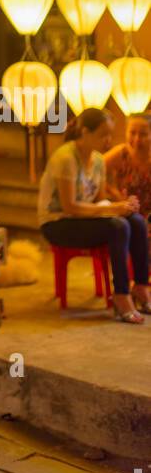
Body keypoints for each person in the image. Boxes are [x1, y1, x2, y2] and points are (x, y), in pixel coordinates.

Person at [38, 107, 151, 324]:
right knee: (119, 226)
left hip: (85, 219)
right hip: (58, 223)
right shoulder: (66, 158)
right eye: (103, 135)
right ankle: (121, 294)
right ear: (85, 133)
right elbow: (70, 207)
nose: (108, 140)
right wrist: (113, 209)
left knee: (135, 221)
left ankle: (141, 287)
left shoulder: (98, 160)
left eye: (110, 134)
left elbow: (99, 201)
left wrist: (122, 206)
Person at [105, 114, 151, 229]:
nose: (137, 139)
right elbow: (94, 169)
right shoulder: (121, 153)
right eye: (132, 133)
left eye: (143, 134)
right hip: (129, 216)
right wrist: (115, 193)